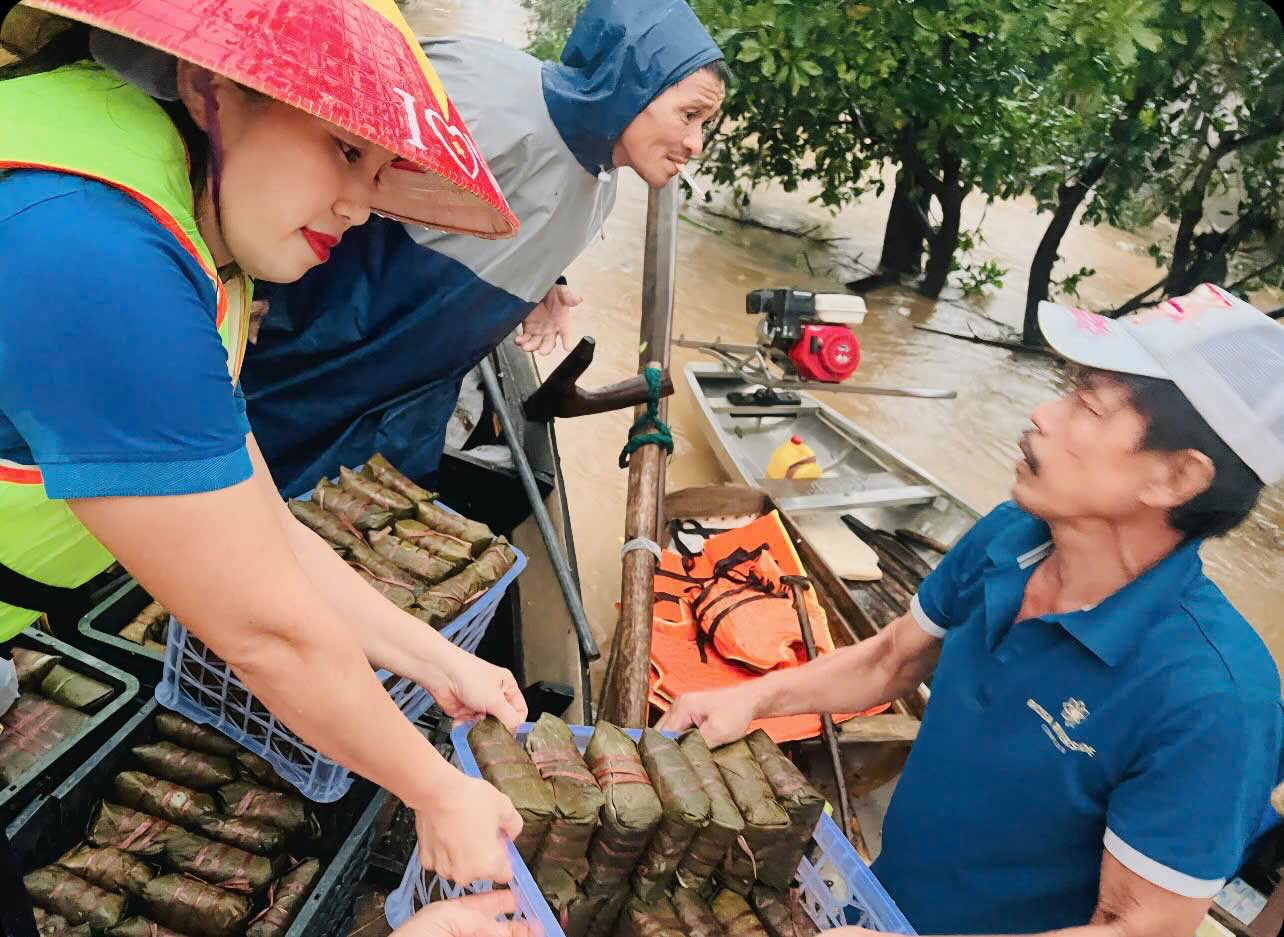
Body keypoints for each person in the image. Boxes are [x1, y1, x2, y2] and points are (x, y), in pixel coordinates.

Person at [0, 0, 527, 889]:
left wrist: (436, 659)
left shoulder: (165, 198)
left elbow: (256, 524)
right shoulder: (91, 249)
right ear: (213, 86)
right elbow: (263, 630)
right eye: (344, 150)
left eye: (381, 165)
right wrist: (436, 789)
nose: (362, 205)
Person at [660, 284, 1284, 937]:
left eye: (1088, 405)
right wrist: (754, 699)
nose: (1044, 413)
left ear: (1176, 478)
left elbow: (1135, 927)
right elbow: (892, 657)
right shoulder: (1011, 534)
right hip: (881, 904)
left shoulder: (1214, 699)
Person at [239, 0, 728, 496]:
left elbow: (521, 225)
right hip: (310, 346)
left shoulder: (601, 189)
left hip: (412, 399)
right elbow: (304, 148)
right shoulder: (483, 94)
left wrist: (547, 283)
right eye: (689, 115)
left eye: (704, 123)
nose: (696, 143)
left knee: (361, 512)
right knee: (242, 467)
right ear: (630, 82)